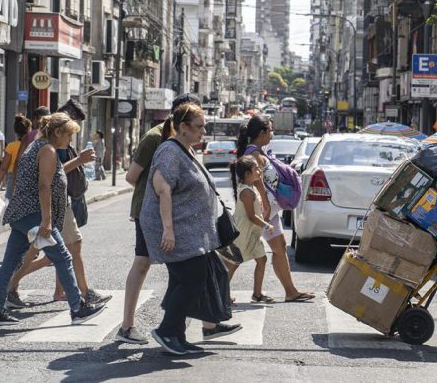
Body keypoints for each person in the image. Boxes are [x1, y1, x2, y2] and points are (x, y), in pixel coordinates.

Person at [116, 93, 238, 344]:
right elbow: (150, 183)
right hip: (163, 221)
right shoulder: (162, 144)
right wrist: (164, 224)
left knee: (191, 274)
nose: (203, 131)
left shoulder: (186, 147)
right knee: (177, 273)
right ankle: (150, 328)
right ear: (182, 124)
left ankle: (184, 330)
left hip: (185, 224)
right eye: (199, 125)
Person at [0, 112, 105, 326]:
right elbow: (44, 185)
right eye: (68, 135)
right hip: (33, 214)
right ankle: (77, 308)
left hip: (21, 214)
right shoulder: (47, 150)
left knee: (10, 263)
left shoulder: (38, 146)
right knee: (63, 258)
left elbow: (53, 175)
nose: (70, 140)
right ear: (57, 132)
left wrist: (78, 160)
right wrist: (47, 221)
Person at [5, 99, 110, 308]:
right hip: (50, 203)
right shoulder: (49, 145)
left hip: (53, 202)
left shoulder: (47, 140)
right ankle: (81, 298)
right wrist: (79, 161)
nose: (72, 136)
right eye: (72, 129)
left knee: (44, 251)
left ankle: (17, 288)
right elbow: (49, 177)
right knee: (65, 249)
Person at [235, 114, 315, 302]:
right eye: (270, 130)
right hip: (262, 211)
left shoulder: (259, 152)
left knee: (278, 248)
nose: (272, 134)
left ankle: (290, 291)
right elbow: (259, 182)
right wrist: (265, 206)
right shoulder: (253, 154)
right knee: (238, 252)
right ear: (262, 132)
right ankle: (220, 294)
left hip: (268, 211)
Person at [227, 156, 275, 303]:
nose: (259, 170)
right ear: (247, 174)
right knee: (233, 264)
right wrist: (267, 225)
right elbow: (251, 216)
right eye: (256, 168)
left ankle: (257, 294)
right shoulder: (246, 192)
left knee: (262, 259)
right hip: (242, 233)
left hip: (252, 233)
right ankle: (221, 295)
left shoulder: (251, 188)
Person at [0, 114, 32, 198]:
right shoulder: (32, 145)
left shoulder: (11, 146)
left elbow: (3, 167)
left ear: (15, 131)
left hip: (13, 177)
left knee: (11, 202)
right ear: (29, 129)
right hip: (29, 177)